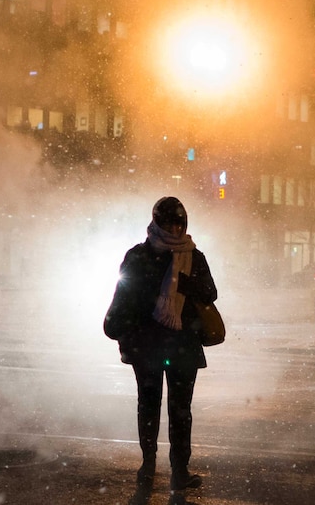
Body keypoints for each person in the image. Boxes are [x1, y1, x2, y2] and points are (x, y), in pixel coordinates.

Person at [103, 196, 217, 492]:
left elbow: (210, 293)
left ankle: (178, 470)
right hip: (150, 346)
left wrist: (184, 282)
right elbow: (124, 297)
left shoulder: (193, 256)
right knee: (150, 406)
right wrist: (120, 330)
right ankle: (149, 465)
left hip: (179, 346)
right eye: (168, 223)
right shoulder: (139, 256)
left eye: (179, 223)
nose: (174, 229)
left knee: (179, 411)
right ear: (156, 222)